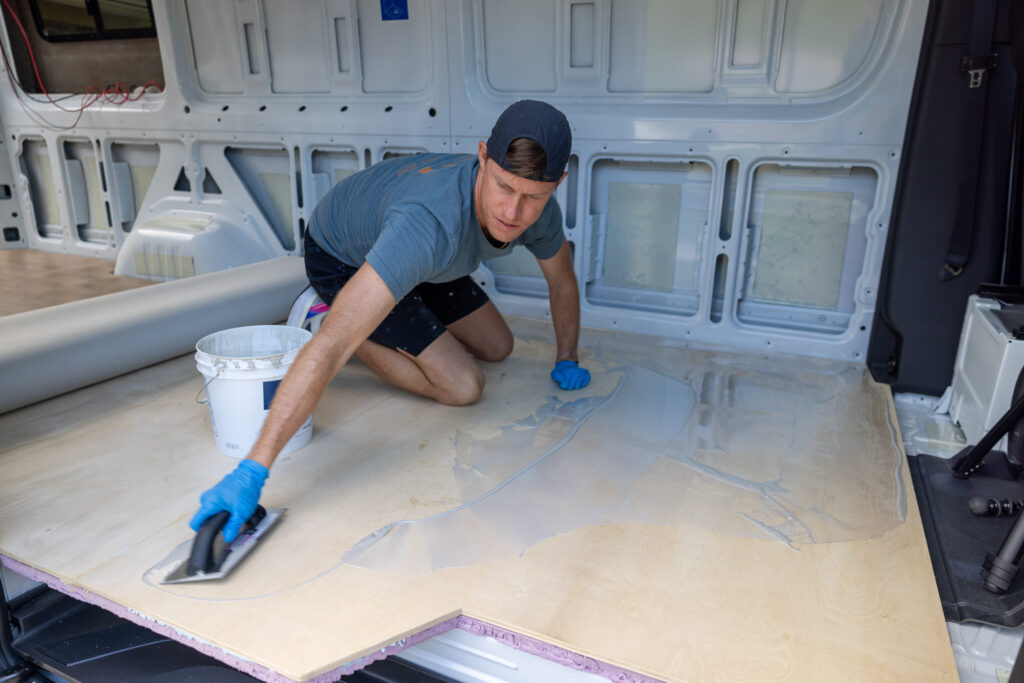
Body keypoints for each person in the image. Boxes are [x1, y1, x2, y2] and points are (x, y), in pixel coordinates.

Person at [190, 100, 591, 542]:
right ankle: (338, 308)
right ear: (482, 158)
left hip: (429, 263)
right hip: (344, 253)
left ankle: (394, 297)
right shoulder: (427, 225)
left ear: (557, 185)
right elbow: (334, 347)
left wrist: (567, 356)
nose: (513, 213)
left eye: (533, 197)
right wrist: (253, 471)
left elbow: (563, 280)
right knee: (462, 387)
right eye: (502, 187)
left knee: (500, 347)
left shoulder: (537, 212)